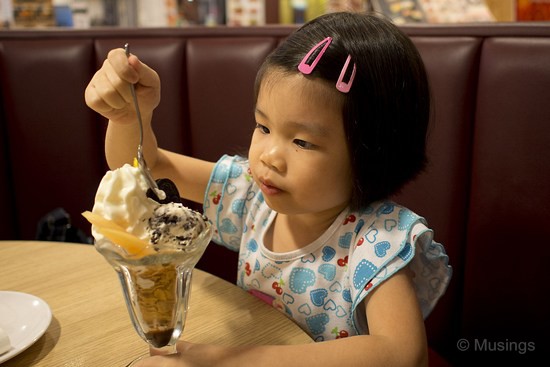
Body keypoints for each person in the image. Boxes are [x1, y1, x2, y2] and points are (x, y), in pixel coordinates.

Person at [85, 11, 451, 367]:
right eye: (263, 127)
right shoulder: (251, 194)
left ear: (373, 153)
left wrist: (229, 361)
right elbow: (146, 166)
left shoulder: (376, 240)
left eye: (303, 142)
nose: (269, 157)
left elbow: (403, 354)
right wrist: (128, 116)